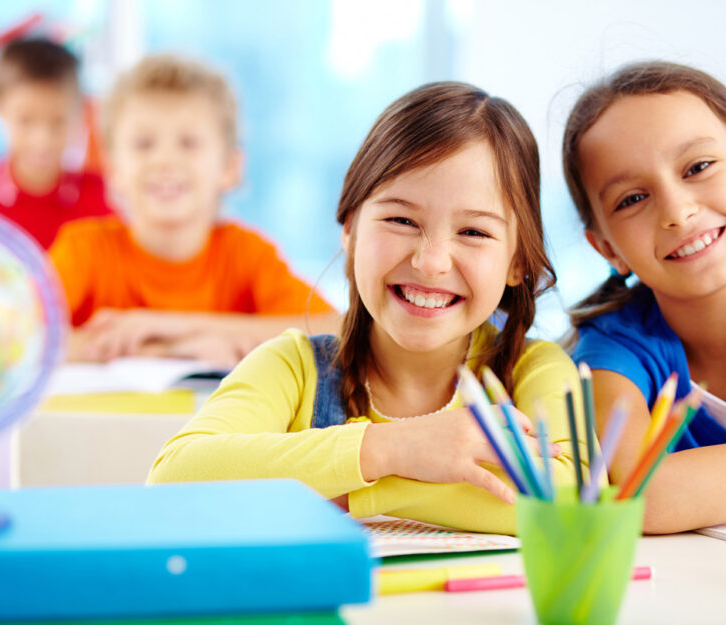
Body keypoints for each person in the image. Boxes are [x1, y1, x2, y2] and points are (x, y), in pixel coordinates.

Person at [148, 81, 587, 534]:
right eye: (401, 220)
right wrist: (393, 448)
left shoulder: (534, 369)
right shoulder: (296, 369)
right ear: (350, 230)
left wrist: (358, 490)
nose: (430, 262)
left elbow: (572, 497)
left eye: (473, 232)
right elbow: (173, 478)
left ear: (517, 261)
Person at [564, 61, 726, 534]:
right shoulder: (612, 348)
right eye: (632, 199)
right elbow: (637, 494)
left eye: (698, 167)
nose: (678, 212)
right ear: (607, 249)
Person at [49, 55, 338, 366]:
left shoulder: (248, 256)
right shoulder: (83, 250)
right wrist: (165, 351)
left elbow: (341, 331)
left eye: (189, 143)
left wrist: (175, 326)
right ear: (114, 169)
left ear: (230, 167)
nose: (165, 160)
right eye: (144, 144)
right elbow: (15, 336)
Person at [0, 37, 111, 249]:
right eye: (26, 120)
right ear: (0, 107)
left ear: (81, 111)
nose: (42, 139)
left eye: (58, 121)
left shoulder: (103, 199)